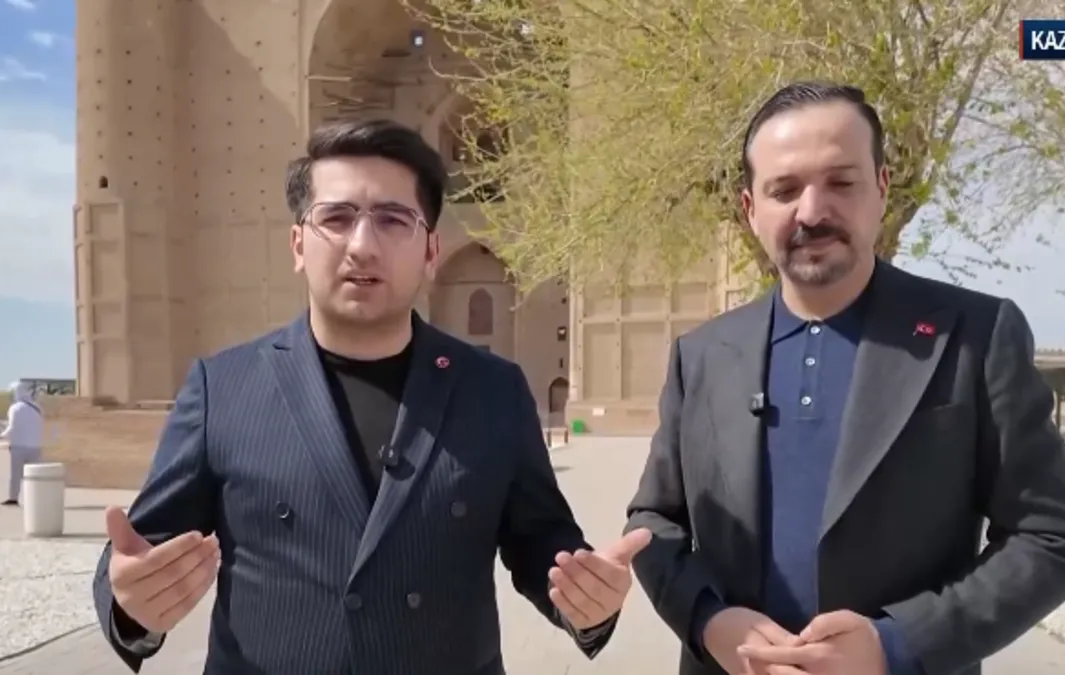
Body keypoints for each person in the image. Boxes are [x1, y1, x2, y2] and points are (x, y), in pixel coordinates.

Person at [92, 118, 650, 674]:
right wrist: (132, 607)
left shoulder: (491, 390)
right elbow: (142, 551)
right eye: (336, 218)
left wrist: (587, 599)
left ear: (431, 250)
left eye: (392, 220)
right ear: (298, 244)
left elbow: (541, 541)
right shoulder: (225, 389)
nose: (362, 246)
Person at [624, 82, 1065, 675]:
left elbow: (1054, 538)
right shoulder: (701, 356)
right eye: (784, 190)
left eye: (841, 183)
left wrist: (894, 645)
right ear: (750, 210)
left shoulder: (975, 337)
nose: (811, 212)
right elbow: (653, 522)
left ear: (881, 187)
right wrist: (708, 622)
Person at [2, 380, 44, 506]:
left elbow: (12, 427)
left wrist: (2, 436)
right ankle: (35, 499)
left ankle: (13, 498)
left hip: (19, 447)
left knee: (16, 474)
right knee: (34, 475)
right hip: (36, 446)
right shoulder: (37, 407)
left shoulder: (15, 408)